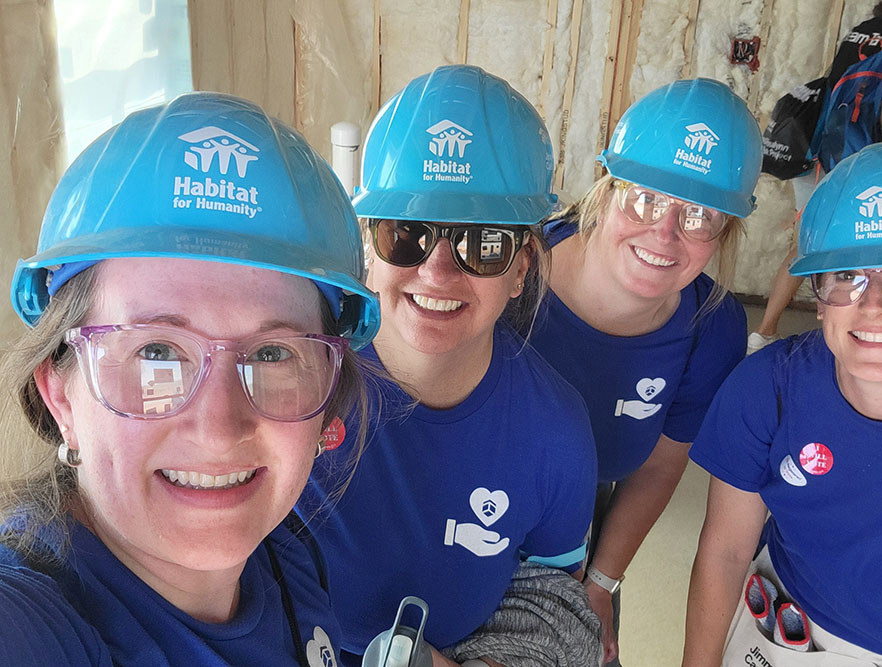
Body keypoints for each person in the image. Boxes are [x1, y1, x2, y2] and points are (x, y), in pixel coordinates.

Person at [0, 92, 380, 665]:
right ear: (61, 396)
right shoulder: (34, 620)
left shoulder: (287, 561)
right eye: (157, 350)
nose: (220, 430)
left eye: (274, 353)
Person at [295, 65, 598, 666]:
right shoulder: (292, 384)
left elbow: (555, 599)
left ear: (521, 267)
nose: (436, 272)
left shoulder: (556, 433)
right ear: (369, 248)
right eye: (406, 234)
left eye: (481, 242)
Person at [685, 142, 882, 665]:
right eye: (847, 276)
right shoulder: (770, 386)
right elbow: (725, 552)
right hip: (780, 634)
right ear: (818, 293)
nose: (873, 305)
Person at [526, 78, 762, 664]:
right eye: (645, 197)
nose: (665, 232)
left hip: (585, 523)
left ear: (724, 232)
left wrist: (600, 585)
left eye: (700, 214)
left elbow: (659, 466)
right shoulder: (513, 275)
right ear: (606, 190)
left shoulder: (714, 328)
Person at [747, 0, 882, 355]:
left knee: (805, 245)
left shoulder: (862, 31)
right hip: (860, 162)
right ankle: (851, 340)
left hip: (819, 153)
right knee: (862, 249)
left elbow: (866, 98)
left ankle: (763, 331)